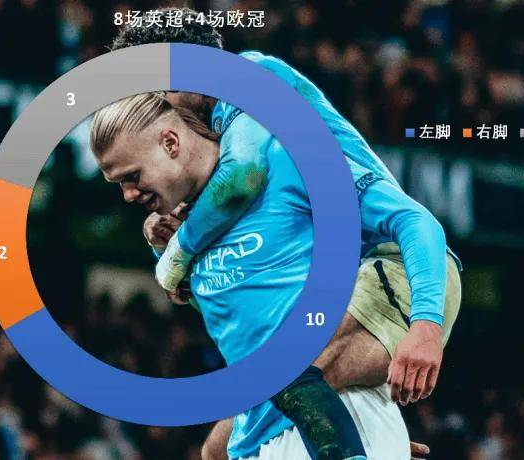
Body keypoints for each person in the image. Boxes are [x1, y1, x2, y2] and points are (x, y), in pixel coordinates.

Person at [111, 7, 462, 460]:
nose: (155, 111)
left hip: (404, 267)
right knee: (219, 449)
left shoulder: (254, 79)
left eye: (153, 92)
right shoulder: (229, 158)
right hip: (356, 287)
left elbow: (243, 177)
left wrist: (426, 327)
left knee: (285, 368)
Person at [91, 92, 366, 460]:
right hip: (267, 423)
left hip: (326, 407)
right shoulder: (181, 223)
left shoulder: (281, 161)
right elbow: (237, 320)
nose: (126, 195)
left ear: (170, 142)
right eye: (118, 184)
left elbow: (403, 223)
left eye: (132, 177)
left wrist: (421, 327)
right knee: (213, 450)